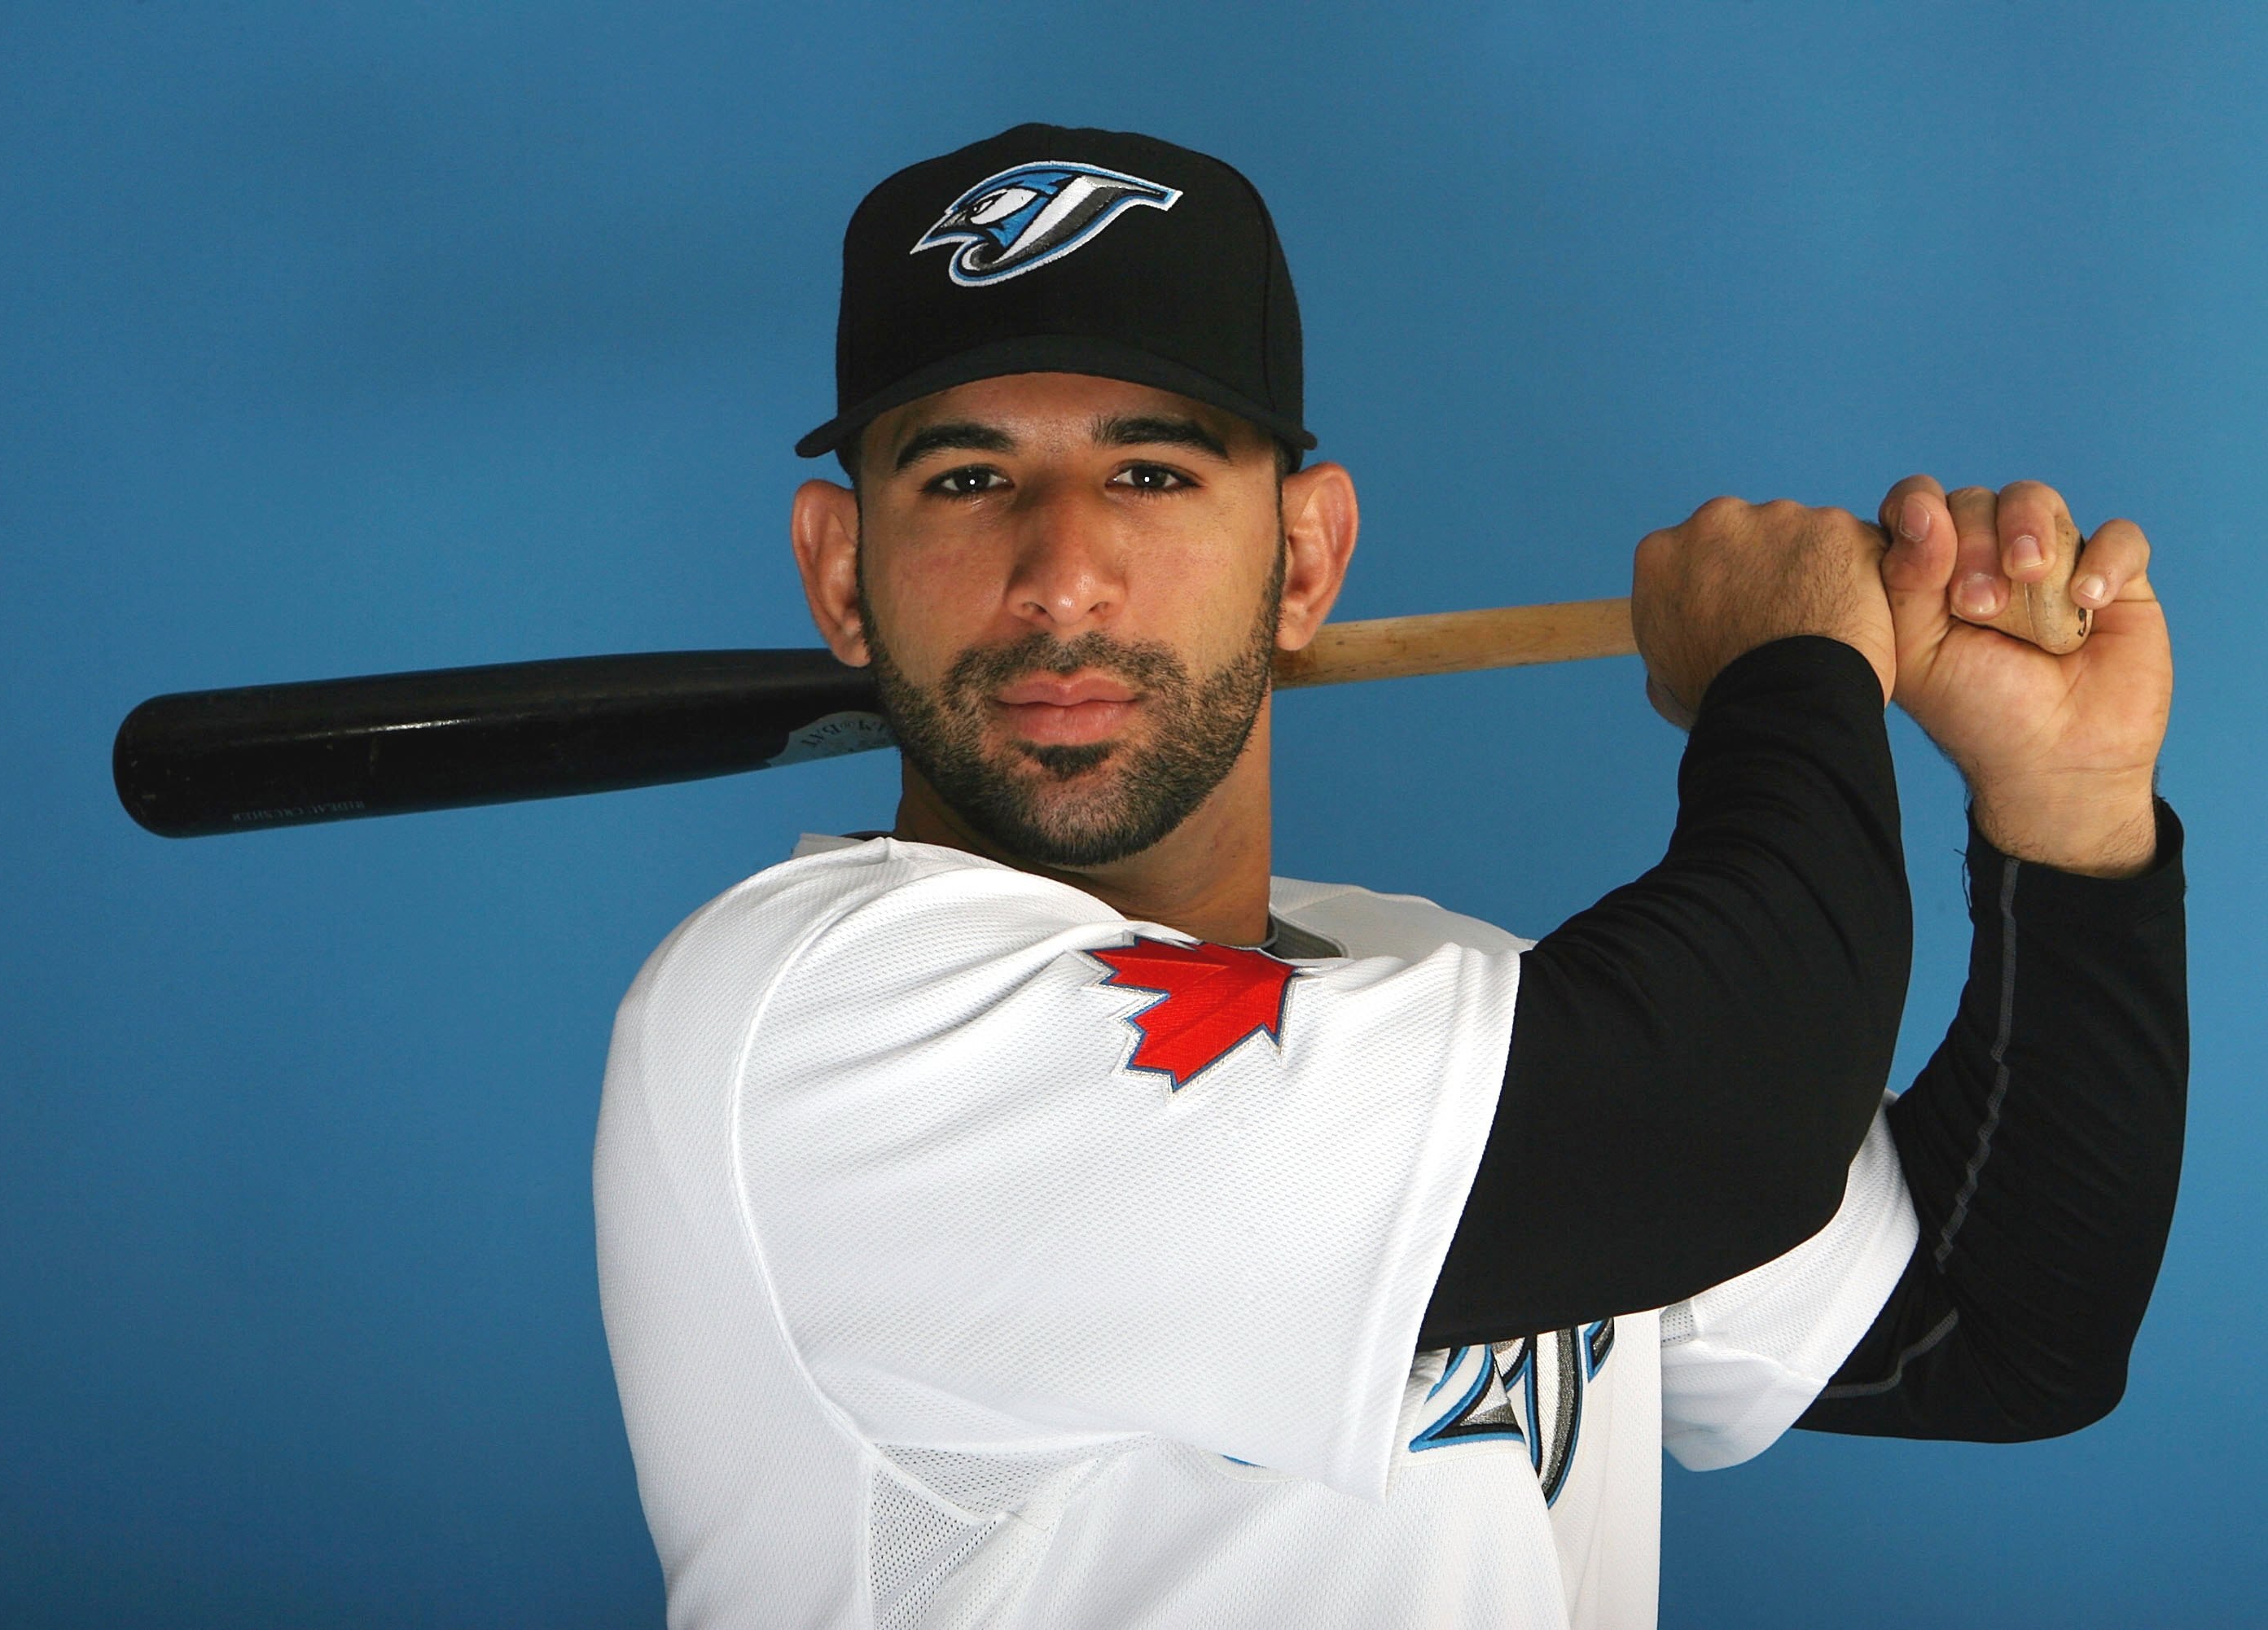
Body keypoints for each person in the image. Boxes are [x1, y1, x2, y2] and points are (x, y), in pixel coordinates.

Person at [592, 125, 2185, 1629]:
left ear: (1305, 558)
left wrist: (2071, 814)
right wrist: (1794, 662)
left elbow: (1987, 1337)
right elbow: (1725, 1114)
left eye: (1153, 472)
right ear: (836, 569)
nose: (1061, 570)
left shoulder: (1452, 1002)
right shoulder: (816, 1026)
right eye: (962, 476)